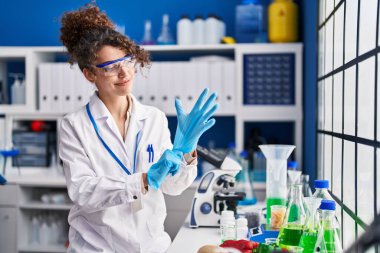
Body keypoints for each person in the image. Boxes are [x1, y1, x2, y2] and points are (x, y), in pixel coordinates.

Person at [58, 5, 218, 253]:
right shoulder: (74, 126)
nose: (124, 73)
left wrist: (186, 153)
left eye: (127, 61)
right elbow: (83, 192)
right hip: (97, 248)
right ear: (90, 74)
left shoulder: (153, 118)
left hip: (152, 246)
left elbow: (173, 187)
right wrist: (143, 180)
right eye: (111, 67)